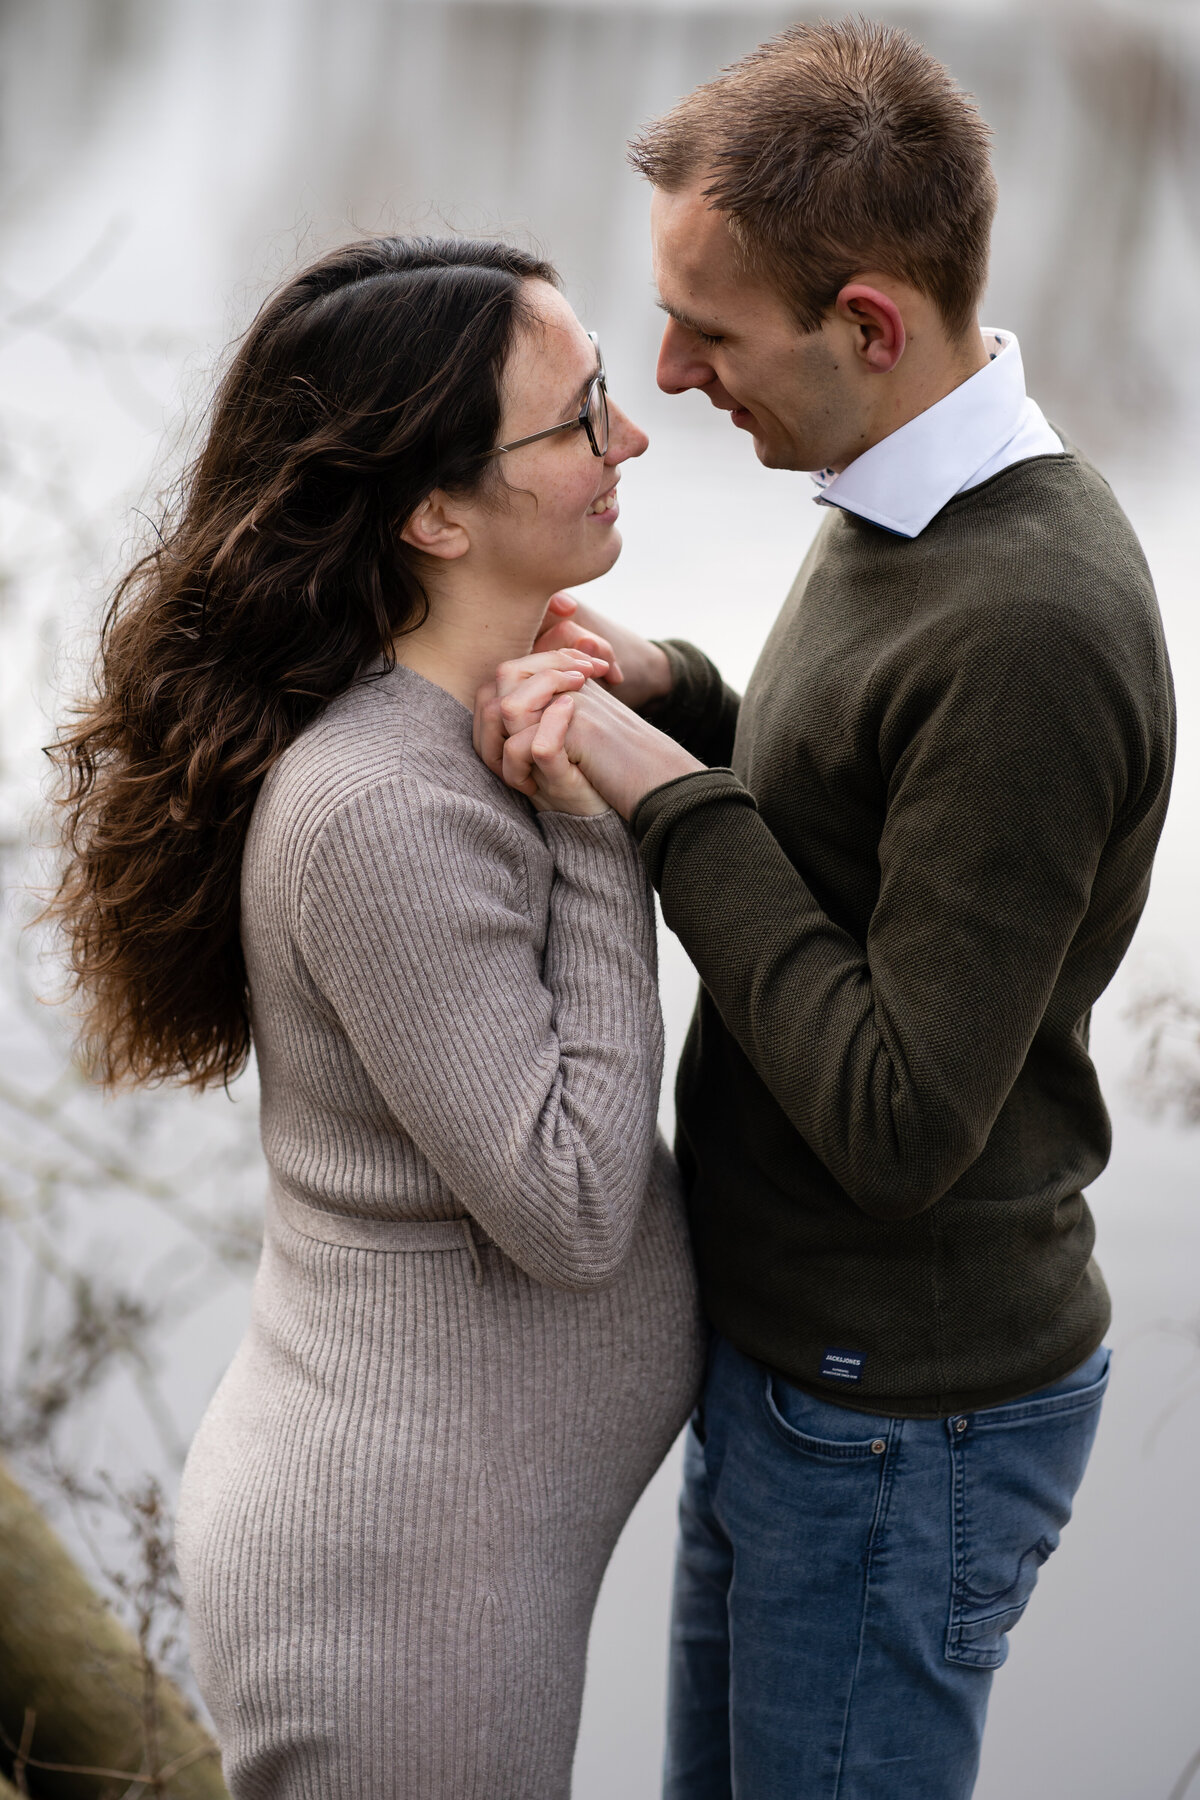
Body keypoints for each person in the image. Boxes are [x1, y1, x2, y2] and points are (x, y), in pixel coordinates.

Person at [477, 20, 1175, 1799]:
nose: (667, 372)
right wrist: (682, 694)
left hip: (902, 1420)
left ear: (868, 324)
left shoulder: (1026, 623)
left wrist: (662, 795)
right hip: (809, 1381)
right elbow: (851, 815)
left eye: (710, 334)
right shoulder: (896, 496)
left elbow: (896, 1118)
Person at [46, 236, 703, 1800]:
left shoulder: (457, 745)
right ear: (435, 511)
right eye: (582, 416)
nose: (631, 436)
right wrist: (609, 826)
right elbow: (569, 1204)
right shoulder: (377, 809)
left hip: (453, 1548)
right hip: (397, 1583)